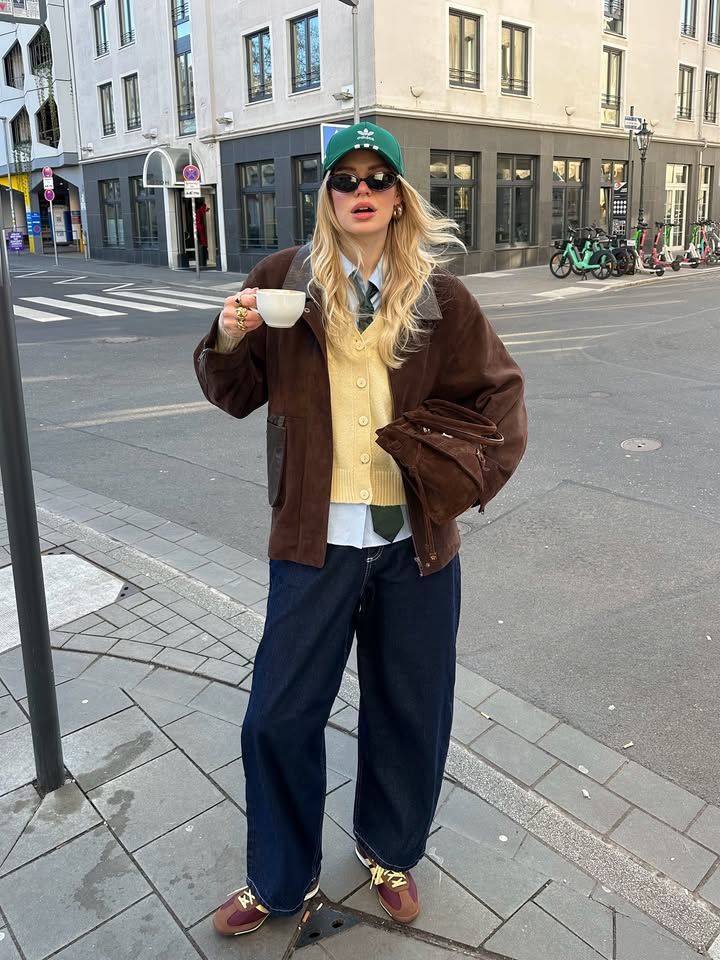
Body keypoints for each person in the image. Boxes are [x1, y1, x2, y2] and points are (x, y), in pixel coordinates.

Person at [193, 122, 527, 937]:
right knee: (277, 715)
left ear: (399, 196)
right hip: (314, 541)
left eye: (379, 179)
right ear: (328, 196)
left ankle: (389, 850)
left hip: (416, 548)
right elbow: (232, 392)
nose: (363, 192)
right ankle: (278, 880)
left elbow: (502, 396)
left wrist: (462, 484)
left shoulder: (441, 296)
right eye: (346, 179)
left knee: (411, 711)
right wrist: (230, 335)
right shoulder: (283, 280)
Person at [195, 200, 208, 267]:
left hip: (198, 226)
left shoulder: (197, 211)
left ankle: (203, 245)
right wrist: (206, 207)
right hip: (200, 226)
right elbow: (204, 211)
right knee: (202, 238)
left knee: (201, 238)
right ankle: (204, 245)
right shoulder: (199, 211)